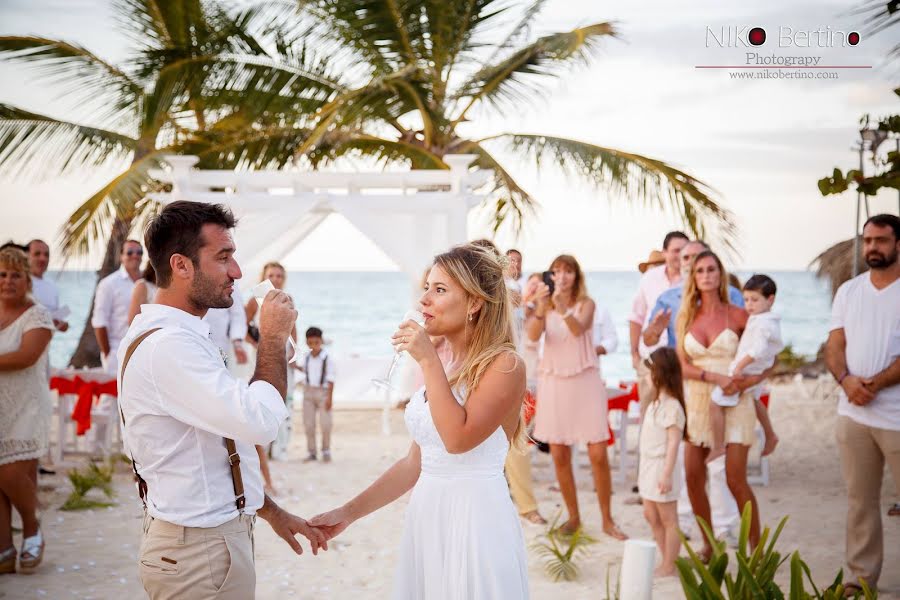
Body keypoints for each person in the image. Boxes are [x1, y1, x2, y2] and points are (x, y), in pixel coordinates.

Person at [118, 201, 326, 598]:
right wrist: (273, 337)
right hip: (198, 553)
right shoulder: (169, 347)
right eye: (224, 257)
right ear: (181, 266)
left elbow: (212, 451)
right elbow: (261, 422)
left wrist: (271, 511)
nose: (237, 271)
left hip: (201, 543)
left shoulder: (176, 335)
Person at [310, 244, 529, 599]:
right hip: (428, 515)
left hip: (475, 521)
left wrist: (427, 360)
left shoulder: (505, 366)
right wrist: (348, 512)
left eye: (440, 289)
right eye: (426, 287)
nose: (424, 299)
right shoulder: (447, 365)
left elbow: (457, 440)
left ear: (474, 303)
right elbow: (416, 462)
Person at [824, 214, 900, 596]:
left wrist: (876, 383)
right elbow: (835, 345)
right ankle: (860, 579)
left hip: (897, 417)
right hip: (853, 415)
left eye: (881, 240)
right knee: (860, 503)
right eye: (868, 240)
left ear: (898, 244)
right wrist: (846, 381)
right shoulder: (849, 291)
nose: (872, 247)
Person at [526, 254, 627, 540]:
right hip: (554, 381)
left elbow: (578, 329)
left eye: (568, 271)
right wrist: (541, 307)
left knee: (597, 452)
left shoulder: (587, 304)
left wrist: (559, 305)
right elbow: (532, 337)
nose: (562, 275)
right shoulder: (545, 306)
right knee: (558, 453)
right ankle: (574, 518)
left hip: (585, 380)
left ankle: (608, 519)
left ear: (576, 276)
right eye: (557, 270)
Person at [675, 250, 765, 557]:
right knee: (691, 476)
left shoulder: (739, 315)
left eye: (712, 269)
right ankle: (710, 544)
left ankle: (757, 550)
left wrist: (751, 381)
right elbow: (682, 366)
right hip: (698, 401)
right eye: (700, 270)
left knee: (734, 478)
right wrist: (713, 376)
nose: (706, 275)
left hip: (735, 401)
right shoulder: (686, 315)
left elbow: (767, 357)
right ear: (694, 278)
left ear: (720, 274)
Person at [0, 247, 54, 575]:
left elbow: (26, 356)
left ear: (27, 280)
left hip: (26, 406)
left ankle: (33, 527)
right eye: (2, 274)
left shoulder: (38, 315)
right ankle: (4, 549)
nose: (7, 281)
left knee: (9, 473)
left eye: (15, 275)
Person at [707, 274, 783, 464]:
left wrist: (739, 367)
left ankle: (717, 447)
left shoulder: (762, 323)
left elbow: (757, 350)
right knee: (756, 400)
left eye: (755, 300)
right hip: (758, 369)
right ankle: (770, 434)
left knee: (715, 402)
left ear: (770, 299)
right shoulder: (764, 319)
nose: (749, 305)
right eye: (746, 299)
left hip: (749, 371)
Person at [244, 262, 298, 493]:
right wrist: (257, 343)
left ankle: (279, 448)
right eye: (271, 275)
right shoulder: (254, 300)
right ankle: (261, 448)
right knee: (259, 399)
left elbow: (293, 329)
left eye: (279, 275)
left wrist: (293, 352)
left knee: (285, 401)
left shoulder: (287, 299)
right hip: (259, 356)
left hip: (282, 356)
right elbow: (242, 326)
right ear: (263, 277)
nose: (275, 279)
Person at [639, 347, 686, 578]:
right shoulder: (655, 403)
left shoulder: (673, 407)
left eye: (650, 373)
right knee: (650, 514)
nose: (646, 377)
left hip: (661, 466)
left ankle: (670, 564)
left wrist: (666, 474)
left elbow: (673, 444)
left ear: (661, 373)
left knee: (668, 518)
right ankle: (666, 554)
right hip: (648, 466)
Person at [629, 232, 688, 408]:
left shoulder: (695, 280)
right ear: (665, 252)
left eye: (684, 250)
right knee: (649, 414)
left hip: (685, 362)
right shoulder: (649, 278)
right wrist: (634, 354)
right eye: (675, 250)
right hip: (651, 359)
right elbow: (636, 317)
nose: (680, 255)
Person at [93, 239, 142, 373]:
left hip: (143, 353)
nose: (135, 256)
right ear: (121, 257)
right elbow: (99, 322)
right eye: (130, 252)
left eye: (139, 252)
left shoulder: (148, 282)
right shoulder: (108, 284)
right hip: (117, 353)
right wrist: (108, 354)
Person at [300, 327, 335, 464]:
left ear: (321, 341)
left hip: (323, 393)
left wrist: (329, 399)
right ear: (306, 343)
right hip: (308, 392)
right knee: (309, 424)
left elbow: (331, 379)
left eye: (316, 342)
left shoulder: (327, 358)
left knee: (326, 423)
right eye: (310, 343)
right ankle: (311, 452)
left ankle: (326, 450)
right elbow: (304, 370)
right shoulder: (306, 357)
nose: (314, 346)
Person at [27, 239, 68, 332]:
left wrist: (63, 324)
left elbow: (56, 319)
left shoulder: (52, 286)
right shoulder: (19, 284)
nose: (43, 258)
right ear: (26, 256)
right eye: (37, 254)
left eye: (46, 255)